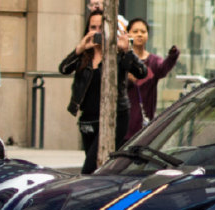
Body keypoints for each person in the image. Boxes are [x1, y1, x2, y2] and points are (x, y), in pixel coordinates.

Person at [62, 9, 147, 173]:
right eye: (93, 27)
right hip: (88, 120)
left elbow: (141, 72)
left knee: (89, 169)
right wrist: (79, 49)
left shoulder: (118, 55)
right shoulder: (84, 56)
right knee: (97, 167)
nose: (97, 32)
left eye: (101, 27)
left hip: (115, 116)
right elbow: (64, 68)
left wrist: (126, 50)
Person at [124, 17, 180, 137]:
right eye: (135, 31)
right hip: (123, 123)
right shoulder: (122, 60)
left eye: (143, 32)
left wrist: (172, 56)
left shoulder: (154, 61)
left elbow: (163, 69)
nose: (139, 35)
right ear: (128, 34)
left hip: (144, 124)